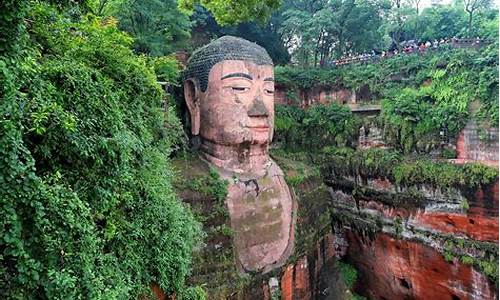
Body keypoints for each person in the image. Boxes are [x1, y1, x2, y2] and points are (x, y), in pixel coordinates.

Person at [183, 36, 295, 273]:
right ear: (194, 99)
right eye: (239, 88)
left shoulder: (301, 180)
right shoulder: (183, 198)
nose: (260, 109)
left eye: (268, 90)